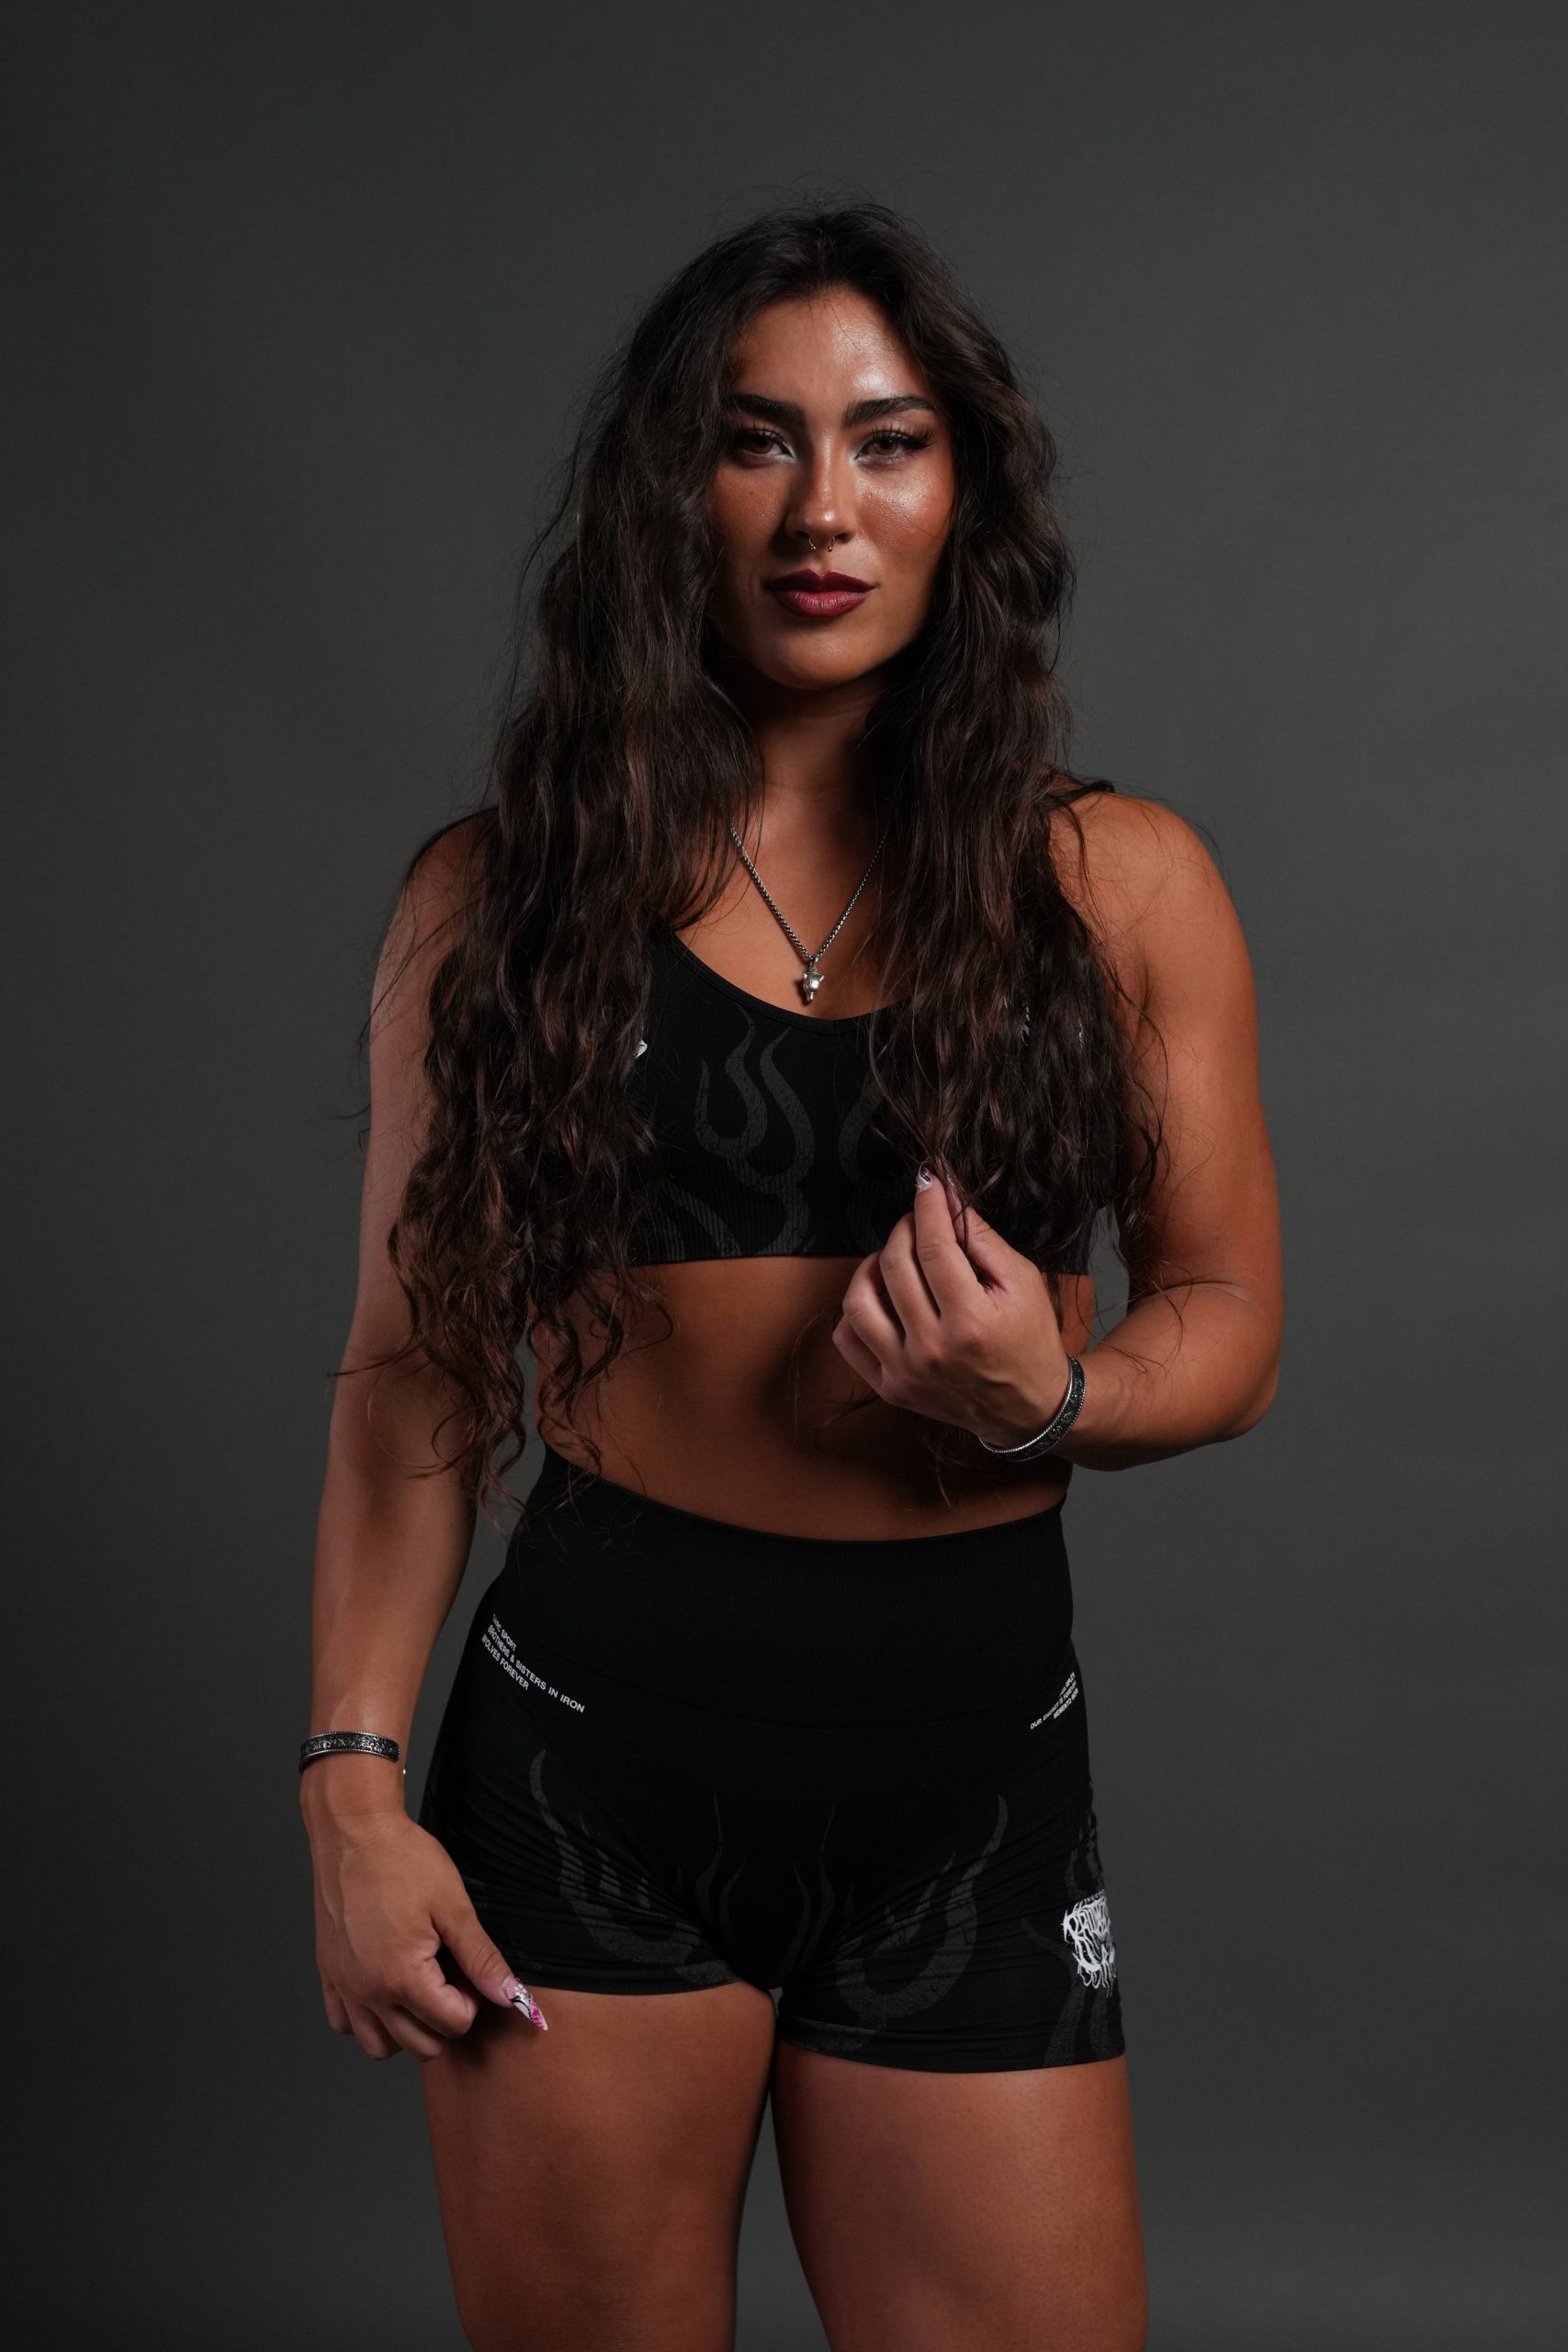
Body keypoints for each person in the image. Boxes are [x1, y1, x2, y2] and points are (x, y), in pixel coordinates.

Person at [299, 201, 1282, 2352]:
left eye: (886, 441)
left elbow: (1223, 1313)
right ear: (672, 490)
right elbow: (409, 1375)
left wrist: (1049, 1397)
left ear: (963, 493)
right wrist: (350, 1788)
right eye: (754, 441)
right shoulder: (499, 902)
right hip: (587, 1773)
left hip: (968, 1778)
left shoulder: (1117, 886)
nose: (820, 508)